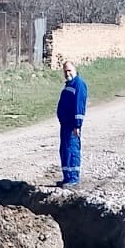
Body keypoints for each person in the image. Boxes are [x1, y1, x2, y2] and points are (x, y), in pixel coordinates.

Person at [55, 60, 87, 188]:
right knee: (65, 150)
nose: (67, 73)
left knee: (72, 150)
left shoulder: (78, 85)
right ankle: (67, 177)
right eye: (65, 71)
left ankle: (73, 178)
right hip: (65, 125)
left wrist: (77, 125)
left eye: (69, 70)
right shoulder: (69, 84)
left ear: (75, 70)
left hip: (72, 126)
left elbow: (79, 106)